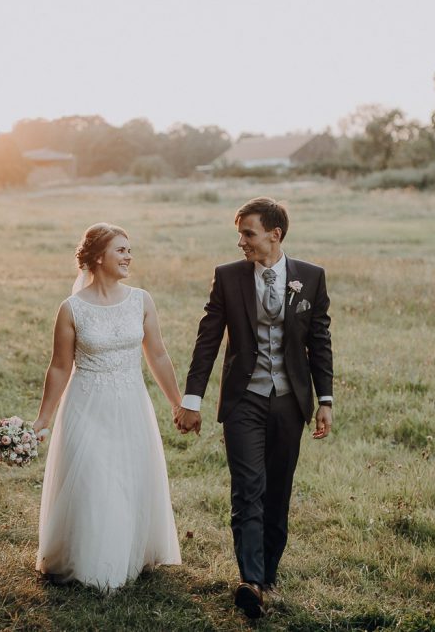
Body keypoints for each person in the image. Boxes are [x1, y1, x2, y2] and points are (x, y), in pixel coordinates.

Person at [175, 197, 334, 619]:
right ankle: (250, 580)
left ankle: (266, 574)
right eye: (240, 234)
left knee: (278, 491)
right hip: (243, 400)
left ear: (274, 235)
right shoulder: (229, 278)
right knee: (248, 490)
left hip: (289, 402)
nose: (241, 242)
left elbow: (319, 342)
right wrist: (192, 399)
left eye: (248, 233)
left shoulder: (311, 278)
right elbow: (207, 340)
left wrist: (325, 400)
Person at [32, 223, 182, 591]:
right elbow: (60, 366)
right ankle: (92, 564)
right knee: (95, 481)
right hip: (86, 404)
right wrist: (43, 418)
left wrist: (178, 403)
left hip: (131, 403)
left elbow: (158, 355)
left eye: (130, 250)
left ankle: (130, 552)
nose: (129, 256)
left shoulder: (141, 300)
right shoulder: (71, 309)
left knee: (128, 478)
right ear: (98, 257)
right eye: (121, 250)